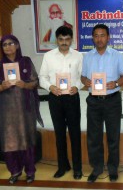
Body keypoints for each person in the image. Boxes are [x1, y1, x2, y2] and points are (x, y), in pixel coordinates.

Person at [0, 34, 43, 184]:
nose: (8, 47)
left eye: (11, 43)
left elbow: (35, 81)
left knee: (27, 139)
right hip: (6, 110)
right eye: (4, 45)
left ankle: (30, 172)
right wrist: (1, 86)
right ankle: (15, 171)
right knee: (9, 140)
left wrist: (25, 85)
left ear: (17, 45)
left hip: (26, 109)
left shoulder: (26, 62)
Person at [81, 24, 123, 183]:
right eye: (96, 35)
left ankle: (113, 169)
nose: (99, 39)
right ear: (92, 38)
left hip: (112, 100)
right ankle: (97, 168)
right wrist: (85, 81)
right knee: (94, 137)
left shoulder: (117, 56)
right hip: (93, 101)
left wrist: (115, 83)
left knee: (113, 136)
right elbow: (83, 77)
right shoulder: (87, 56)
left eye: (102, 35)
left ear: (108, 37)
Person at [39, 26, 83, 180]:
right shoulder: (49, 56)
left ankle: (78, 168)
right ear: (56, 40)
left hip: (72, 98)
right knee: (59, 134)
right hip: (55, 98)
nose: (64, 42)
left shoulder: (78, 56)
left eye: (67, 39)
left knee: (75, 133)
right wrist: (50, 87)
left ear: (71, 39)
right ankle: (62, 166)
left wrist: (77, 87)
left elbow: (82, 77)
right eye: (61, 39)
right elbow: (42, 77)